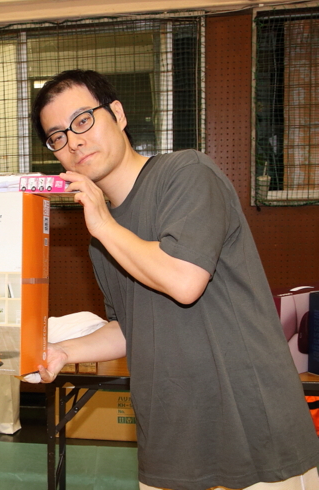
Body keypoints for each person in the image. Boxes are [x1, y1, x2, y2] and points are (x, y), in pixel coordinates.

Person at [31, 69, 319, 490]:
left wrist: (105, 226)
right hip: (173, 443)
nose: (73, 141)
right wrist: (62, 351)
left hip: (252, 432)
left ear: (118, 114)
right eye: (57, 136)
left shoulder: (186, 172)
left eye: (83, 120)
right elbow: (128, 328)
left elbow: (184, 281)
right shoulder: (102, 239)